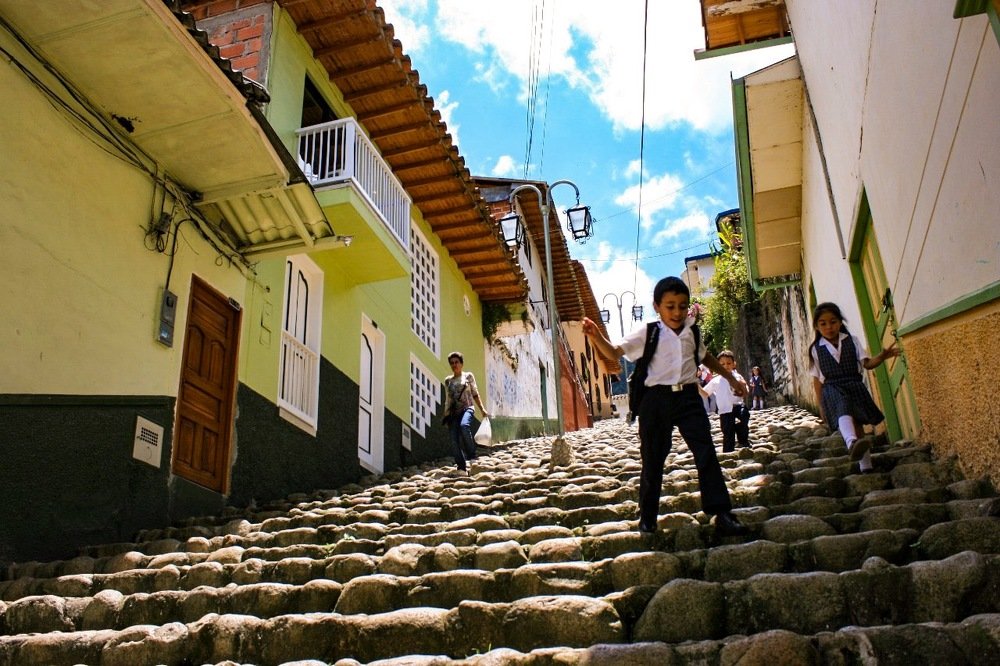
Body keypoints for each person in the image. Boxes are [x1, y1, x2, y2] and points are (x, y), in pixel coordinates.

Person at [582, 276, 749, 537]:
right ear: (657, 306)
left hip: (688, 399)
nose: (677, 312)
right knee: (653, 458)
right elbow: (614, 352)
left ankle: (721, 512)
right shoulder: (649, 332)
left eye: (682, 306)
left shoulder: (692, 332)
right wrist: (595, 336)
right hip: (655, 401)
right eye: (670, 306)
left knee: (705, 450)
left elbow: (705, 357)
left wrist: (729, 378)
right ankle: (647, 518)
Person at [809, 302, 899, 472]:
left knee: (858, 425)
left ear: (840, 322)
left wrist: (882, 356)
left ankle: (866, 466)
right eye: (823, 323)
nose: (829, 327)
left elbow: (868, 364)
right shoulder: (816, 349)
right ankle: (851, 442)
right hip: (832, 387)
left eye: (833, 322)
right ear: (817, 326)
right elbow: (816, 379)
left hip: (853, 383)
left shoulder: (852, 341)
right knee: (843, 408)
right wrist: (821, 405)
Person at [442, 352, 490, 474]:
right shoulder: (448, 381)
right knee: (454, 440)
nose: (454, 365)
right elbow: (448, 399)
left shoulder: (468, 376)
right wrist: (446, 414)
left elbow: (475, 393)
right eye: (452, 363)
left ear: (461, 364)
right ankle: (461, 467)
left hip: (467, 408)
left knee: (464, 426)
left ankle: (472, 454)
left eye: (456, 362)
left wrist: (482, 409)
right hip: (453, 413)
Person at [701, 350, 751, 452]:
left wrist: (744, 390)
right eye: (722, 364)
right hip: (725, 411)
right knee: (728, 432)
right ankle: (728, 451)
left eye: (728, 363)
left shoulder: (738, 376)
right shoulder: (715, 380)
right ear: (717, 366)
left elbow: (745, 389)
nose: (726, 366)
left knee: (744, 418)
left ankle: (743, 441)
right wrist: (696, 386)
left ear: (734, 364)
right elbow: (705, 393)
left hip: (738, 405)